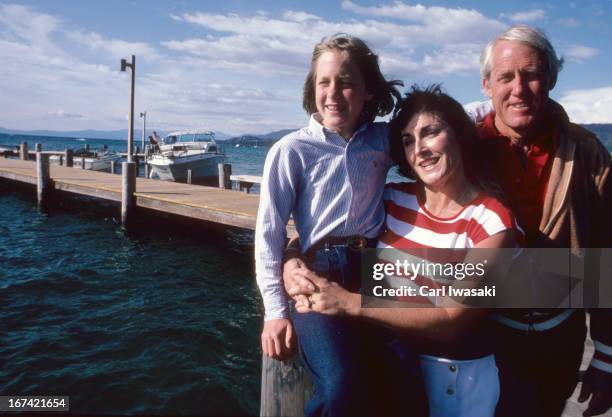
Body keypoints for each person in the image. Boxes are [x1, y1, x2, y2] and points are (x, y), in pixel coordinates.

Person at [286, 85, 519, 417]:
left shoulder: (492, 221)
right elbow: (329, 232)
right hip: (391, 365)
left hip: (455, 382)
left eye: (430, 133)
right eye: (408, 141)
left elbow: (452, 318)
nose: (419, 149)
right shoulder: (394, 199)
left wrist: (350, 303)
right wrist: (291, 258)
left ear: (460, 136)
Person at [254, 34, 408, 416]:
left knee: (402, 371)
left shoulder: (383, 140)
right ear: (312, 88)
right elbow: (269, 234)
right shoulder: (292, 150)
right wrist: (275, 312)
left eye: (347, 82)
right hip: (319, 273)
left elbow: (440, 130)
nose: (334, 93)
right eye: (324, 82)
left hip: (376, 269)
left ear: (368, 90)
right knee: (341, 384)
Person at [476, 25, 612, 417]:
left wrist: (606, 354)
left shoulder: (587, 152)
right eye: (505, 76)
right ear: (488, 85)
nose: (518, 88)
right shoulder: (465, 151)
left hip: (561, 337)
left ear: (550, 79)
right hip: (484, 333)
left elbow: (607, 251)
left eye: (532, 74)